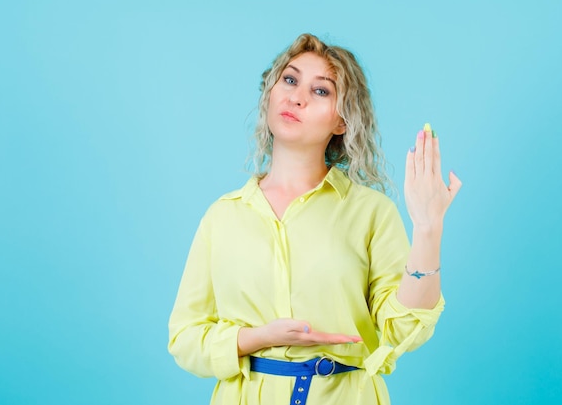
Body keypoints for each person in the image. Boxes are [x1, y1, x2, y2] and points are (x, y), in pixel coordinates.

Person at [168, 33, 462, 405]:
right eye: (289, 80)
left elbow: (403, 329)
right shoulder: (223, 216)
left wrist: (427, 228)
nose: (297, 97)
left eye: (321, 91)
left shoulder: (371, 212)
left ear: (342, 121)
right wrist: (261, 336)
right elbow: (185, 339)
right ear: (270, 94)